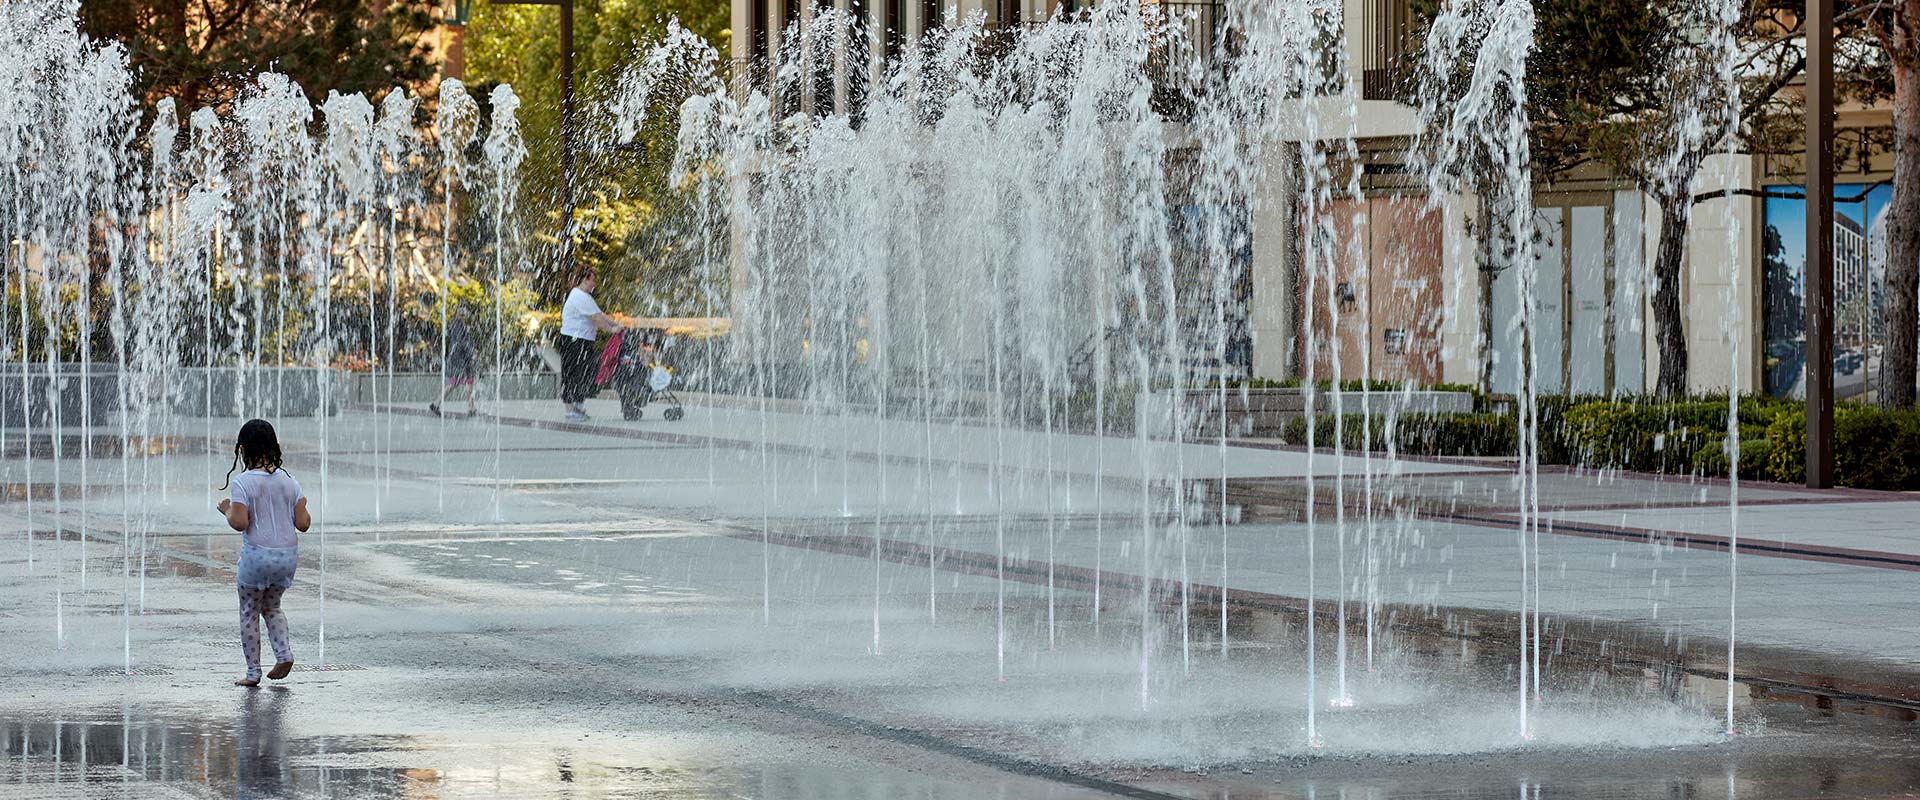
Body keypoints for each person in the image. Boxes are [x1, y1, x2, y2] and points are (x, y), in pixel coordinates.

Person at [216, 419, 310, 687]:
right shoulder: (290, 482)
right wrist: (298, 504)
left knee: (249, 611)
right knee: (273, 607)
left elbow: (240, 523)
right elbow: (303, 523)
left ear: (243, 449)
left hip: (256, 558)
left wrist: (226, 510)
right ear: (274, 447)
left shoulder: (243, 483)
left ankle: (252, 672)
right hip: (286, 558)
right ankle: (284, 654)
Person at [557, 268, 624, 422]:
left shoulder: (585, 297)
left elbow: (600, 314)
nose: (594, 284)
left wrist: (617, 325)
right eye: (592, 280)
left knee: (584, 372)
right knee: (571, 374)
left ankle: (579, 406)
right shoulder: (578, 296)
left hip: (583, 341)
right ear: (585, 280)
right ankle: (570, 410)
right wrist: (611, 329)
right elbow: (595, 318)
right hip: (573, 340)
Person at [431, 306, 479, 418]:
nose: (467, 314)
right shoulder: (458, 325)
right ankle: (471, 408)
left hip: (458, 358)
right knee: (468, 382)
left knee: (454, 384)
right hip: (461, 359)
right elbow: (461, 342)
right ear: (461, 314)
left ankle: (436, 403)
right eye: (465, 313)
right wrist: (471, 353)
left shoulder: (457, 324)